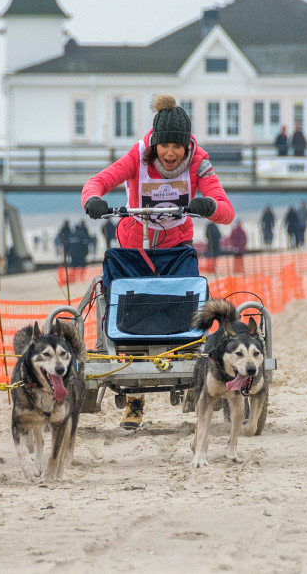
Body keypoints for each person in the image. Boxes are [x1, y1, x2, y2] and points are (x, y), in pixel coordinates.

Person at [81, 93, 235, 430]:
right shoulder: (136, 157)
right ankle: (134, 401)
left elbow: (226, 210)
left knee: (185, 308)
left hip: (176, 249)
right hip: (134, 248)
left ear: (186, 145)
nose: (170, 153)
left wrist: (209, 206)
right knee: (131, 315)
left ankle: (192, 371)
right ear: (155, 143)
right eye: (164, 145)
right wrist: (92, 200)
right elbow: (97, 182)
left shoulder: (199, 162)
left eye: (177, 146)